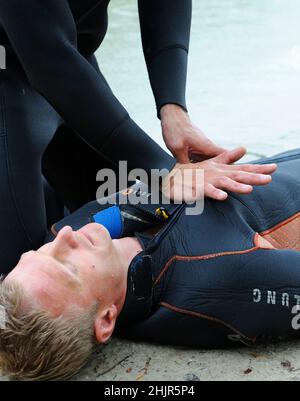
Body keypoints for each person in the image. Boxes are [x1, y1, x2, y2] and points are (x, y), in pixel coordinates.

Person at [0, 0, 277, 274]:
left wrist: (172, 107)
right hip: (14, 77)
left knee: (140, 215)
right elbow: (47, 56)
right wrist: (164, 170)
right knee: (21, 278)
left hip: (75, 66)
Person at [1, 149, 300, 381]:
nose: (65, 238)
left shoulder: (81, 234)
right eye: (69, 269)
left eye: (37, 253)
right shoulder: (222, 280)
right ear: (106, 320)